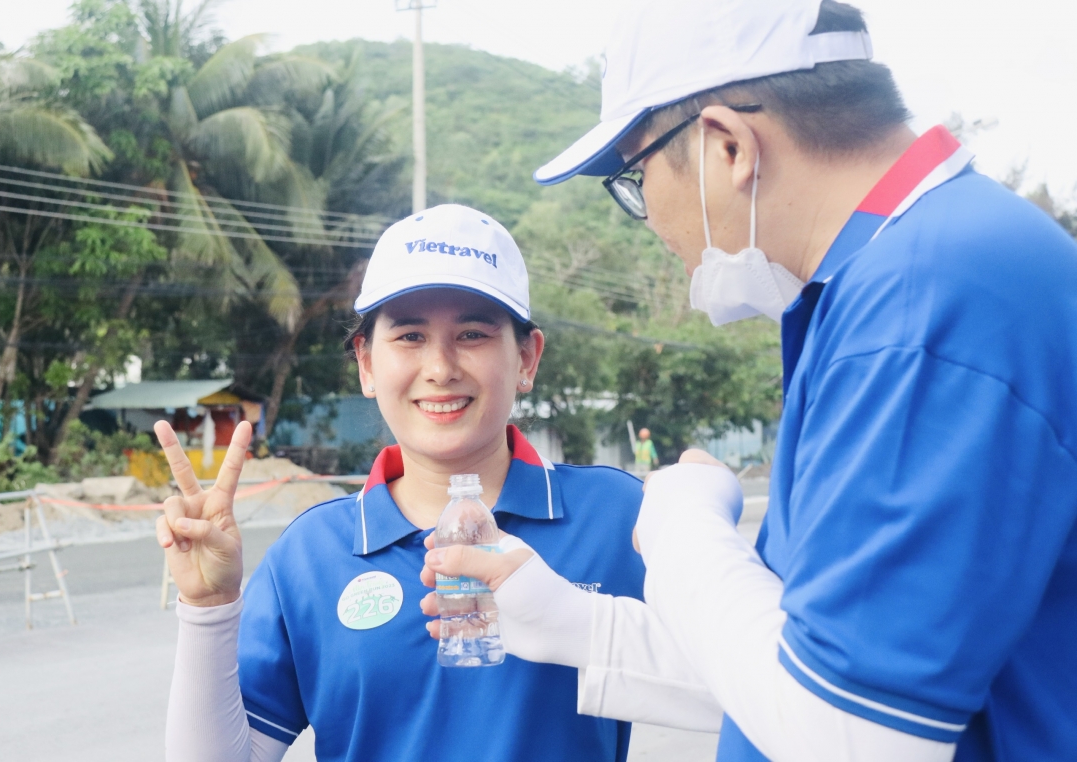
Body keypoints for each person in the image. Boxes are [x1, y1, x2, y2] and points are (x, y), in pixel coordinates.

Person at [420, 1, 1077, 760]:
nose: (654, 222)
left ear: (727, 145)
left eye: (635, 179)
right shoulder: (907, 275)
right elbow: (801, 666)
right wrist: (574, 622)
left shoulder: (921, 310)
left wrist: (681, 529)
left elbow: (852, 736)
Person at [155, 204, 648, 762]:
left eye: (472, 333)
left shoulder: (619, 518)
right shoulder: (311, 556)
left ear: (527, 358)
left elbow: (752, 679)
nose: (440, 367)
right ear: (367, 363)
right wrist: (209, 605)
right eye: (410, 335)